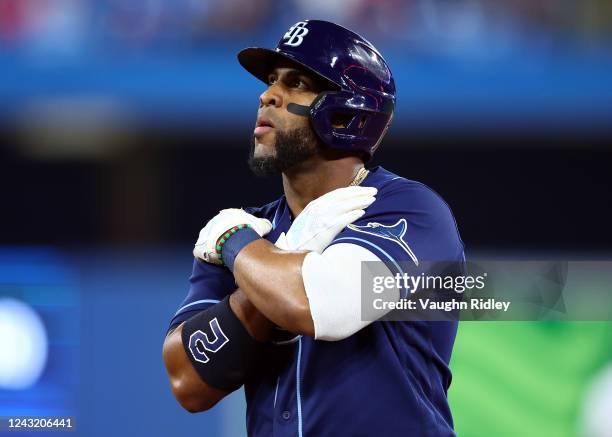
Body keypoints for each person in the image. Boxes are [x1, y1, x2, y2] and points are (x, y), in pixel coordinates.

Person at [163, 19, 465, 436]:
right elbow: (187, 381)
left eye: (297, 83)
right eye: (271, 80)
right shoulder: (255, 229)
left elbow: (322, 308)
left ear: (348, 111)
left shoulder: (410, 210)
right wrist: (269, 260)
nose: (268, 95)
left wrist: (242, 251)